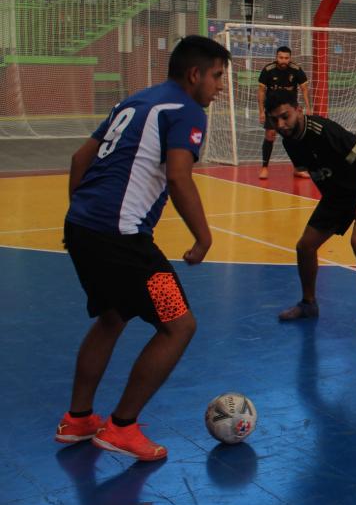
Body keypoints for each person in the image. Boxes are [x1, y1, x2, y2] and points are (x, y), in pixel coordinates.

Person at [55, 35, 229, 461]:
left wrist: (82, 215)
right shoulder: (186, 110)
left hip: (82, 228)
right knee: (179, 326)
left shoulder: (134, 102)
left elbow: (79, 160)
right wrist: (203, 236)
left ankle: (78, 419)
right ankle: (122, 427)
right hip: (123, 241)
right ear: (195, 75)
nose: (220, 86)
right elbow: (179, 176)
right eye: (217, 76)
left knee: (112, 316)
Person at [266, 93, 356, 340]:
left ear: (298, 109)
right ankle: (308, 304)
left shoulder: (323, 130)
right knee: (305, 246)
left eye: (285, 116)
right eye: (275, 120)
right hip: (338, 195)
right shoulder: (290, 141)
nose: (280, 124)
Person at [258, 45, 310, 180]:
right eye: (281, 57)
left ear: (290, 58)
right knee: (270, 135)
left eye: (286, 58)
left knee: (296, 137)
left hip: (290, 111)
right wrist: (261, 111)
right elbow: (261, 91)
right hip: (273, 110)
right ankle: (264, 167)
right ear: (276, 57)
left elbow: (304, 89)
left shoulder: (296, 70)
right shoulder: (268, 70)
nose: (283, 60)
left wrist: (308, 107)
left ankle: (298, 168)